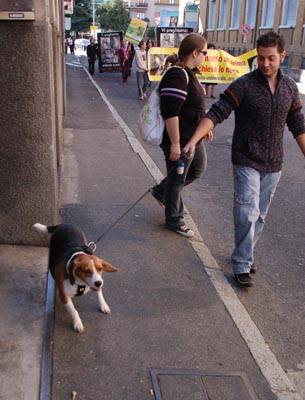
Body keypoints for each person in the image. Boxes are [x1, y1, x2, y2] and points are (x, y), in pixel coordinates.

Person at [183, 31, 305, 286]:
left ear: (282, 56)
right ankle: (241, 263)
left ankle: (245, 255)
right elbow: (217, 113)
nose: (265, 64)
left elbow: (298, 125)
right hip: (246, 158)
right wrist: (193, 140)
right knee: (247, 212)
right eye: (260, 58)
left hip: (274, 164)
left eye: (271, 58)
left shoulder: (290, 88)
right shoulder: (245, 85)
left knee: (259, 215)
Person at [150, 33, 211, 238]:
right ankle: (174, 219)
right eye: (204, 52)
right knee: (177, 179)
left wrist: (205, 126)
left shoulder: (189, 72)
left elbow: (195, 105)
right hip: (180, 139)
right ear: (194, 53)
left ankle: (161, 191)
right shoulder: (177, 74)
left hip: (193, 136)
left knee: (198, 169)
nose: (206, 56)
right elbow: (171, 112)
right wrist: (175, 144)